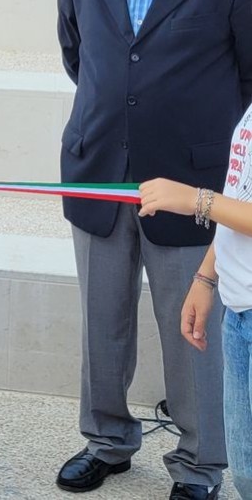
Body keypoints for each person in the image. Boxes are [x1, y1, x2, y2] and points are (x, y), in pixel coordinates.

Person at [55, 0, 252, 499]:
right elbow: (78, 57)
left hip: (192, 182)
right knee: (101, 322)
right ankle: (106, 440)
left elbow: (248, 76)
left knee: (191, 330)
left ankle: (198, 465)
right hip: (98, 172)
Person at [140, 93, 252, 500]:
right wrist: (207, 277)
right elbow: (240, 191)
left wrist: (196, 200)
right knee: (246, 471)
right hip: (239, 310)